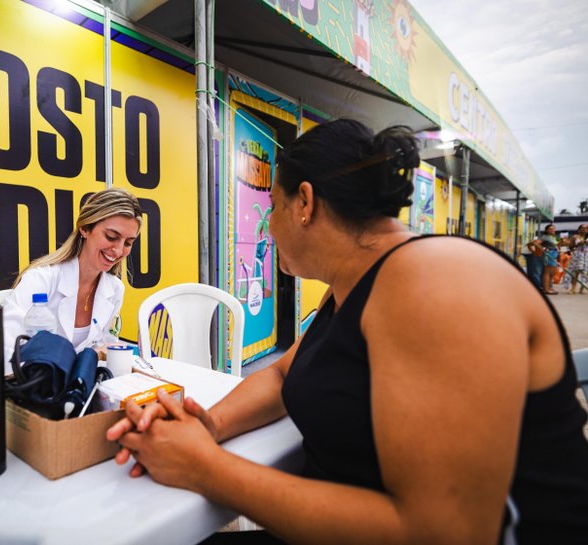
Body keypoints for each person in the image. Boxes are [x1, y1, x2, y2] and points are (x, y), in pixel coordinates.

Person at [107, 120, 588, 544]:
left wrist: (203, 468)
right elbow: (280, 377)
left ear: (305, 203)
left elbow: (446, 532)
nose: (268, 228)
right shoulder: (352, 285)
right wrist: (208, 427)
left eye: (272, 206)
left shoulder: (435, 280)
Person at [1, 187, 142, 373]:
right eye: (111, 237)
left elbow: (105, 349)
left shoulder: (115, 289)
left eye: (128, 243)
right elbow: (4, 349)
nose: (118, 250)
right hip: (31, 389)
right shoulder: (41, 279)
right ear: (85, 228)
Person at [529, 224, 559, 295]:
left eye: (553, 229)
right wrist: (543, 249)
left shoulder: (552, 237)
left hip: (554, 254)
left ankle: (549, 287)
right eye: (550, 229)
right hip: (549, 255)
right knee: (547, 272)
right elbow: (535, 243)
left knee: (552, 273)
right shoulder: (544, 237)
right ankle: (546, 289)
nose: (552, 230)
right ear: (546, 230)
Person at [567, 224, 588, 294]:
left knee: (586, 273)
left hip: (587, 256)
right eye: (583, 228)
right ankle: (573, 288)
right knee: (575, 272)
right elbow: (570, 246)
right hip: (578, 256)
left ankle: (582, 288)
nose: (584, 229)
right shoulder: (575, 237)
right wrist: (578, 245)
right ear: (579, 229)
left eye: (586, 228)